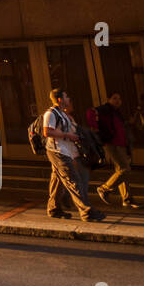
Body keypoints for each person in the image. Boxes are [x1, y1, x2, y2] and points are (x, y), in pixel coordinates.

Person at [42, 89, 103, 222]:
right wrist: (68, 135)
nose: (68, 99)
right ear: (59, 99)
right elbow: (47, 132)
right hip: (57, 152)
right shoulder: (51, 113)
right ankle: (86, 211)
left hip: (66, 152)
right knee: (73, 180)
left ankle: (54, 208)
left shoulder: (62, 114)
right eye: (66, 96)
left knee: (57, 181)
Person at [88, 93, 139, 209]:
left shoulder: (116, 112)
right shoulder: (105, 109)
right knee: (124, 169)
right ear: (108, 99)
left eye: (119, 98)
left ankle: (127, 199)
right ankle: (104, 188)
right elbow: (90, 112)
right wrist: (95, 129)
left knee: (121, 170)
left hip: (120, 144)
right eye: (114, 98)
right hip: (112, 144)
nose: (117, 101)